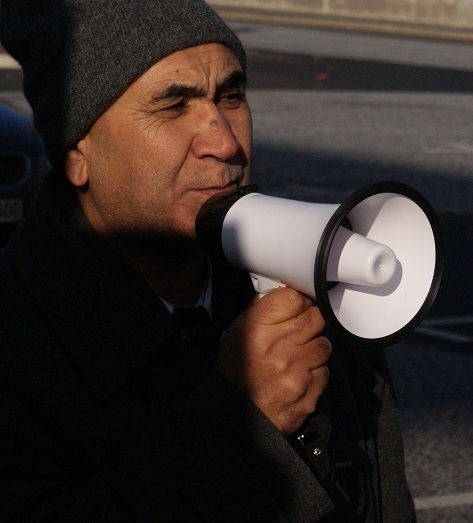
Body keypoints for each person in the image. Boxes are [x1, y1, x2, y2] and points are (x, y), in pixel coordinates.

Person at [0, 1, 416, 521]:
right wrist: (242, 422)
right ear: (76, 153)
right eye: (174, 106)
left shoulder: (318, 279)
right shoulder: (18, 341)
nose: (224, 141)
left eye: (231, 96)